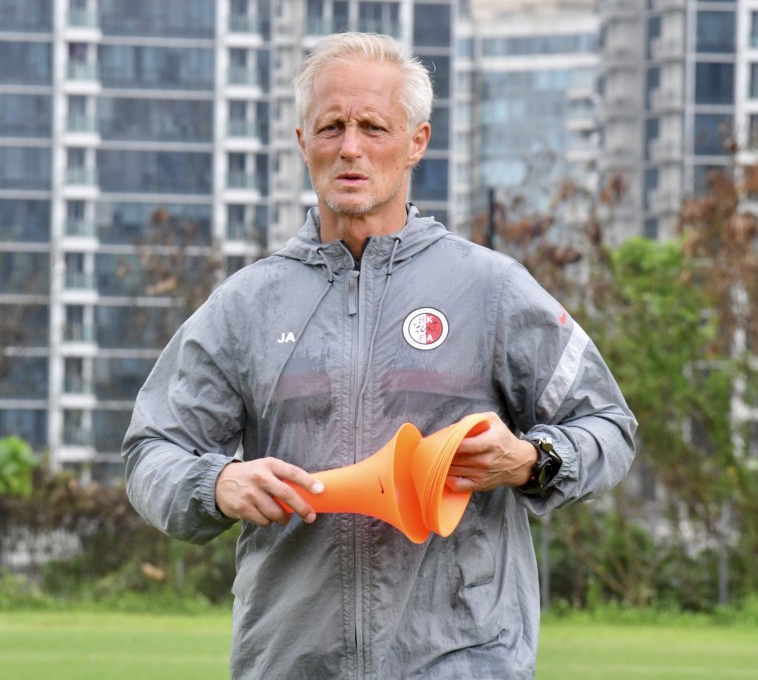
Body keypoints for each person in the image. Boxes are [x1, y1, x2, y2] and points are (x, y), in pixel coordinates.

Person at [123, 32, 636, 679]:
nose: (351, 148)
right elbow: (151, 449)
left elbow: (609, 428)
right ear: (302, 140)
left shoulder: (490, 288)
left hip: (463, 662)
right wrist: (217, 483)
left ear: (417, 140)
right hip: (290, 663)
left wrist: (531, 460)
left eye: (374, 126)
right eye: (331, 126)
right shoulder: (247, 305)